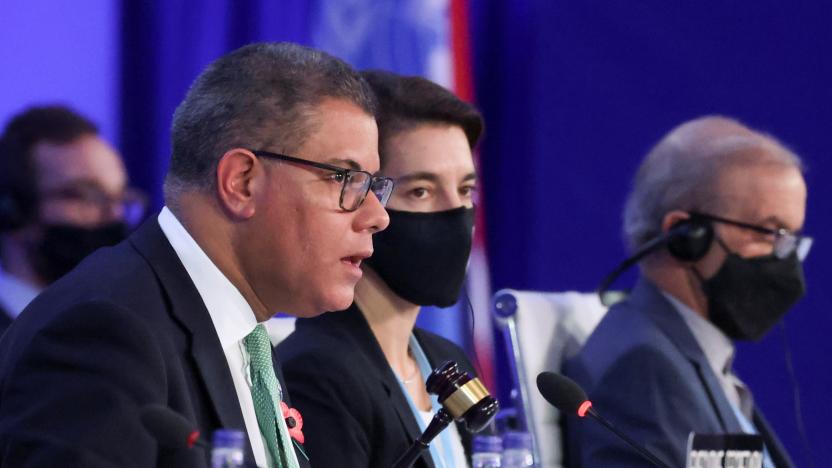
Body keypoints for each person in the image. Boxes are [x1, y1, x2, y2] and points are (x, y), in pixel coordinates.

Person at [0, 42, 392, 468]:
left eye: (373, 185)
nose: (377, 215)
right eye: (345, 178)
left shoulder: (248, 337)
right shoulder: (103, 331)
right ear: (242, 182)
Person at [564, 116, 806, 468]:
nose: (785, 259)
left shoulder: (687, 356)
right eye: (769, 233)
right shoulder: (643, 371)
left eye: (791, 238)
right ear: (684, 236)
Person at [277, 70, 484, 468]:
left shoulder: (445, 358)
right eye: (420, 191)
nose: (456, 214)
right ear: (365, 199)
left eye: (465, 190)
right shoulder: (316, 373)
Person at [0, 105, 140, 335]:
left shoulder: (123, 330)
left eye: (120, 198)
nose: (115, 215)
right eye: (86, 196)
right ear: (13, 211)